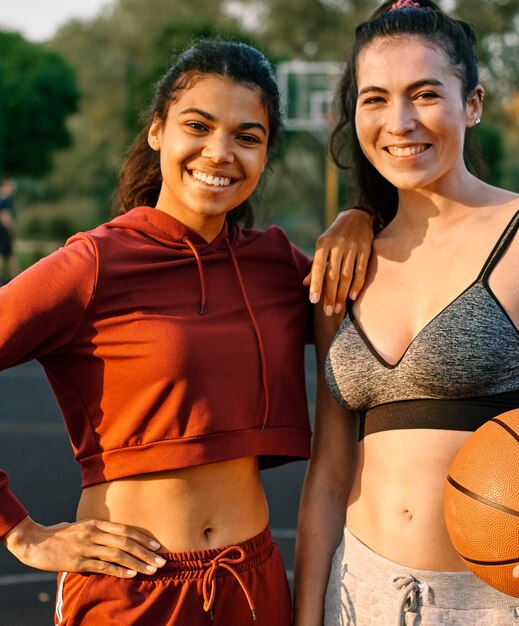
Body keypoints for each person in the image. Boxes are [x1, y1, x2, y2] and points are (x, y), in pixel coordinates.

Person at [0, 39, 375, 625]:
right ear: (157, 132)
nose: (220, 152)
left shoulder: (277, 263)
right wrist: (20, 532)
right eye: (197, 126)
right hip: (132, 592)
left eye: (247, 137)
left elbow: (384, 312)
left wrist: (361, 216)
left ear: (265, 152)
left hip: (252, 583)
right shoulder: (94, 264)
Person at [294, 2, 519, 625]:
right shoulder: (344, 264)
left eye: (424, 94)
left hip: (497, 605)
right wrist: (307, 616)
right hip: (358, 594)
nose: (400, 121)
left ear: (472, 103)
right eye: (375, 99)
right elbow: (331, 469)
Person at [0, 178, 18, 283]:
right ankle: (17, 281)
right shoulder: (5, 200)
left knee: (8, 255)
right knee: (5, 255)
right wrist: (12, 229)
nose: (13, 190)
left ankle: (16, 279)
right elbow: (5, 217)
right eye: (11, 187)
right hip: (4, 231)